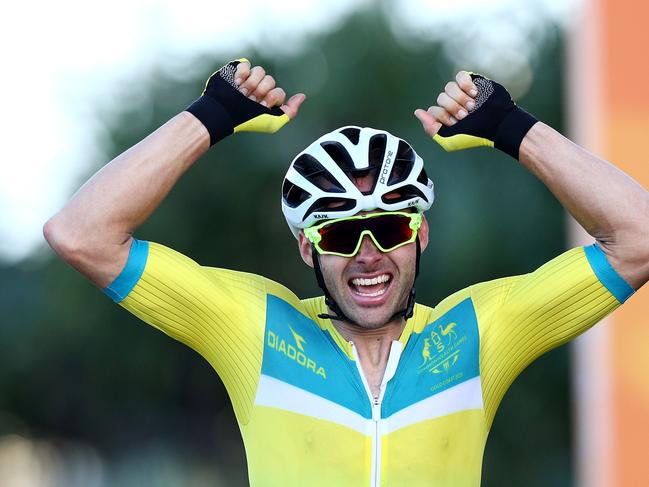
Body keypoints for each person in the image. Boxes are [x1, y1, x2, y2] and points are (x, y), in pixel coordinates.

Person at [43, 58, 649, 487]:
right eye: (338, 233)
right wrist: (212, 115)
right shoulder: (255, 328)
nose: (367, 254)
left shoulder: (477, 336)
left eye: (388, 229)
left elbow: (639, 238)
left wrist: (512, 130)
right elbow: (81, 234)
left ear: (421, 235)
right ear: (307, 249)